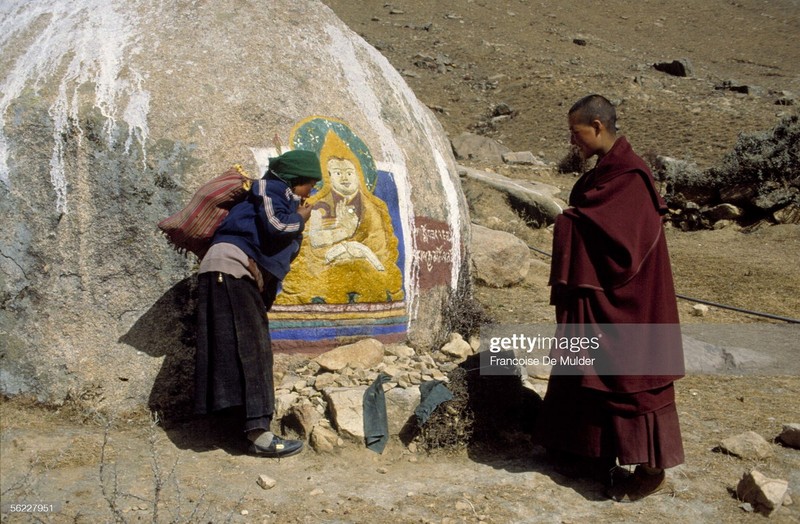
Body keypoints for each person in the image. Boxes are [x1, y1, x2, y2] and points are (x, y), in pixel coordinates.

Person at [537, 95, 685, 502]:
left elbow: (624, 245)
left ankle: (650, 469)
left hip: (630, 300)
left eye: (576, 131)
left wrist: (569, 222)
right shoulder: (601, 174)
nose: (573, 141)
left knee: (629, 375)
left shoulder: (632, 176)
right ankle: (589, 452)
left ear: (598, 125)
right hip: (596, 294)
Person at [193, 149, 321, 457]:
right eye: (311, 185)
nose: (312, 192)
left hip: (226, 272)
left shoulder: (277, 195)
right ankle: (260, 436)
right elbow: (276, 227)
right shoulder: (269, 188)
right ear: (295, 179)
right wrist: (300, 219)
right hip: (232, 270)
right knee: (254, 350)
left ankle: (228, 427)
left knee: (227, 348)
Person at [276, 130, 404, 305]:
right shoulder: (317, 205)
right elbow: (312, 241)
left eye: (350, 173)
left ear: (359, 175)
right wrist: (343, 233)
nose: (345, 177)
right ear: (327, 177)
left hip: (365, 262)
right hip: (325, 263)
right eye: (337, 173)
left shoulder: (373, 207)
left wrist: (360, 250)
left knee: (374, 275)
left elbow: (380, 246)